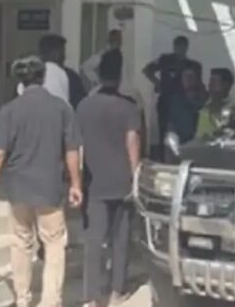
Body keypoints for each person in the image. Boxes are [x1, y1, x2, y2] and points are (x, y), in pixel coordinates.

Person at [0, 56, 83, 307]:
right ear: (43, 78)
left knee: (20, 243)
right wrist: (76, 184)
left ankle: (22, 298)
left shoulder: (9, 110)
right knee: (54, 243)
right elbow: (72, 150)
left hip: (18, 188)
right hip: (50, 187)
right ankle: (50, 301)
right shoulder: (61, 108)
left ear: (21, 82)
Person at [76, 50, 142, 307]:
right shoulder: (128, 106)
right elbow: (132, 143)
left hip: (93, 180)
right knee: (121, 237)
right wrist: (135, 177)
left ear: (99, 76)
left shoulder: (84, 106)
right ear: (119, 76)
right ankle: (117, 291)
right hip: (121, 180)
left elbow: (77, 145)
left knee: (94, 239)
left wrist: (76, 179)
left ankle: (91, 297)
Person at [143, 36, 202, 157]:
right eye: (178, 46)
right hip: (166, 101)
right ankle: (163, 156)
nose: (180, 49)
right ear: (174, 47)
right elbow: (147, 70)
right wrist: (158, 83)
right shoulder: (165, 60)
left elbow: (197, 85)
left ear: (186, 47)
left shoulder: (191, 65)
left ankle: (184, 155)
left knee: (185, 132)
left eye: (182, 47)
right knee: (164, 132)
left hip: (184, 104)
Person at [166, 65, 207, 144]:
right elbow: (170, 125)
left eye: (191, 75)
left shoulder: (206, 100)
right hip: (180, 144)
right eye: (185, 75)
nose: (188, 79)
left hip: (203, 145)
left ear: (198, 79)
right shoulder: (174, 101)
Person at [195, 68, 235, 141]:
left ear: (225, 85)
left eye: (214, 82)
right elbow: (200, 137)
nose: (209, 85)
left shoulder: (234, 108)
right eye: (210, 82)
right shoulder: (205, 109)